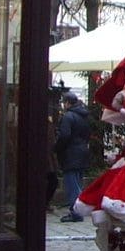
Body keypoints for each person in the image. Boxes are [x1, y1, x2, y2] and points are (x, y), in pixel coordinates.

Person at [53, 91, 91, 222]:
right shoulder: (84, 116)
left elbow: (64, 136)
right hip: (82, 152)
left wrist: (57, 148)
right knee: (78, 182)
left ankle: (76, 212)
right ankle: (78, 209)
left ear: (67, 103)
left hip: (71, 154)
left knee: (72, 184)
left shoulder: (68, 116)